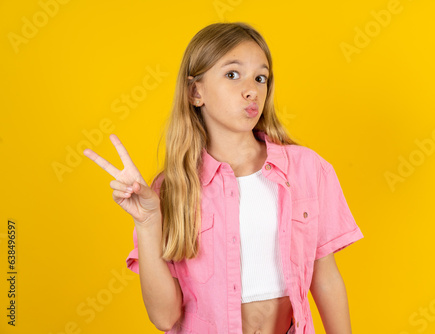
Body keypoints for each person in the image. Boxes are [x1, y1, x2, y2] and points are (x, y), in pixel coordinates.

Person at [83, 22, 364, 334]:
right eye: (233, 74)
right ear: (195, 91)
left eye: (261, 78)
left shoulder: (308, 169)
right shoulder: (171, 189)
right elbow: (164, 318)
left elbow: (324, 278)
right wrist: (148, 223)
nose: (251, 89)